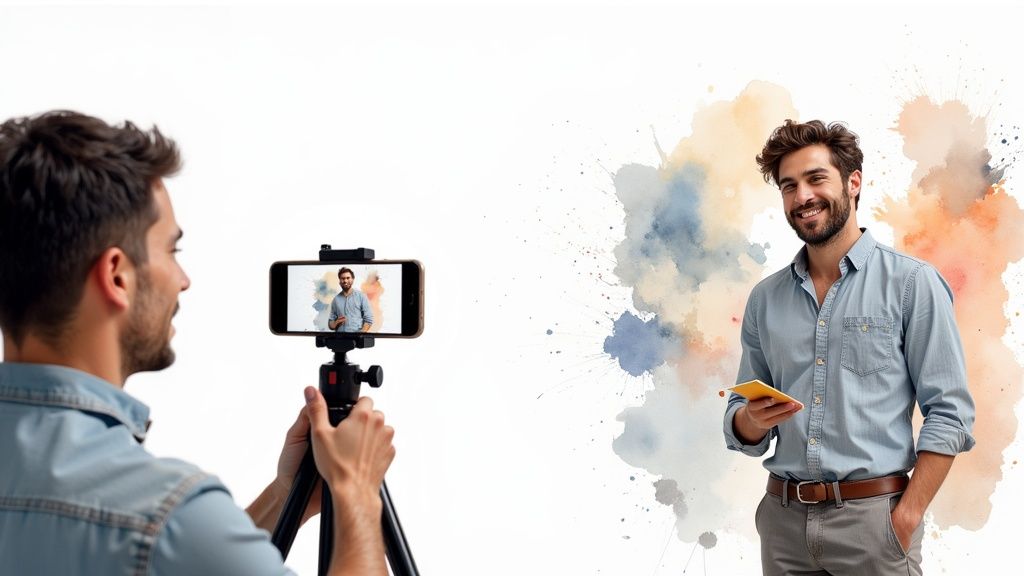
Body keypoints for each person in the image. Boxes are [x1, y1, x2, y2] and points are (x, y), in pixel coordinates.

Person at [0, 110, 395, 576]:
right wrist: (355, 490)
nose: (183, 279)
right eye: (172, 250)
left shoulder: (167, 527)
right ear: (117, 276)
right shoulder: (169, 516)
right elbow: (167, 539)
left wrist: (284, 497)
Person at [723, 120, 975, 575]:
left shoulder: (912, 283)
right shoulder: (765, 298)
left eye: (815, 178)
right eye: (789, 186)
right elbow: (741, 418)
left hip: (874, 524)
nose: (802, 196)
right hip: (783, 524)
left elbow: (949, 411)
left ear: (853, 182)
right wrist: (751, 421)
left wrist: (906, 517)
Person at [329, 268, 374, 333]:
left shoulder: (361, 296)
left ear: (352, 279)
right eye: (343, 278)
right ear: (339, 281)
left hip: (357, 337)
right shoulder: (336, 300)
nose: (345, 281)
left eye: (348, 278)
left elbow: (368, 320)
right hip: (339, 337)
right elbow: (330, 323)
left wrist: (360, 335)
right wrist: (335, 323)